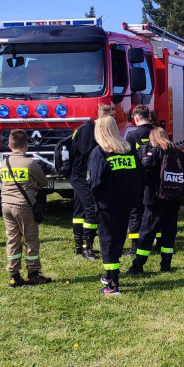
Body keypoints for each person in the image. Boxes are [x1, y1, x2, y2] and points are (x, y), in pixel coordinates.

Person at [87, 116, 144, 295]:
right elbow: (139, 177)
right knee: (118, 240)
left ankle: (112, 283)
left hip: (107, 205)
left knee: (108, 242)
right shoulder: (128, 151)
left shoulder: (100, 152)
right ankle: (111, 274)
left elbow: (94, 182)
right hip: (126, 203)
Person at [129, 127, 184, 275]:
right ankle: (166, 265)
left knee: (147, 233)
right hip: (174, 199)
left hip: (154, 199)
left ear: (153, 139)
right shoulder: (178, 152)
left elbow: (143, 169)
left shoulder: (155, 151)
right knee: (169, 232)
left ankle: (138, 265)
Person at [0, 129, 52, 287]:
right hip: (23, 206)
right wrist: (33, 186)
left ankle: (14, 276)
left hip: (5, 205)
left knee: (12, 240)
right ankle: (33, 274)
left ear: (9, 145)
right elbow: (43, 182)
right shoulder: (29, 163)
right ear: (26, 146)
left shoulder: (5, 163)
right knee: (30, 240)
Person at [69, 102, 115, 259]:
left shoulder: (89, 127)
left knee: (79, 211)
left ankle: (78, 246)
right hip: (81, 176)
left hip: (80, 174)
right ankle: (86, 247)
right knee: (91, 209)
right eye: (111, 117)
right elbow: (89, 153)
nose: (112, 121)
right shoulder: (89, 129)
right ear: (103, 116)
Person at [125, 105, 155, 254]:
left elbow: (129, 157)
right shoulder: (157, 133)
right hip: (155, 178)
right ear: (148, 117)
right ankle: (156, 241)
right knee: (154, 209)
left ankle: (135, 246)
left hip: (137, 178)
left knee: (136, 211)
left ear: (136, 118)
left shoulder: (132, 135)